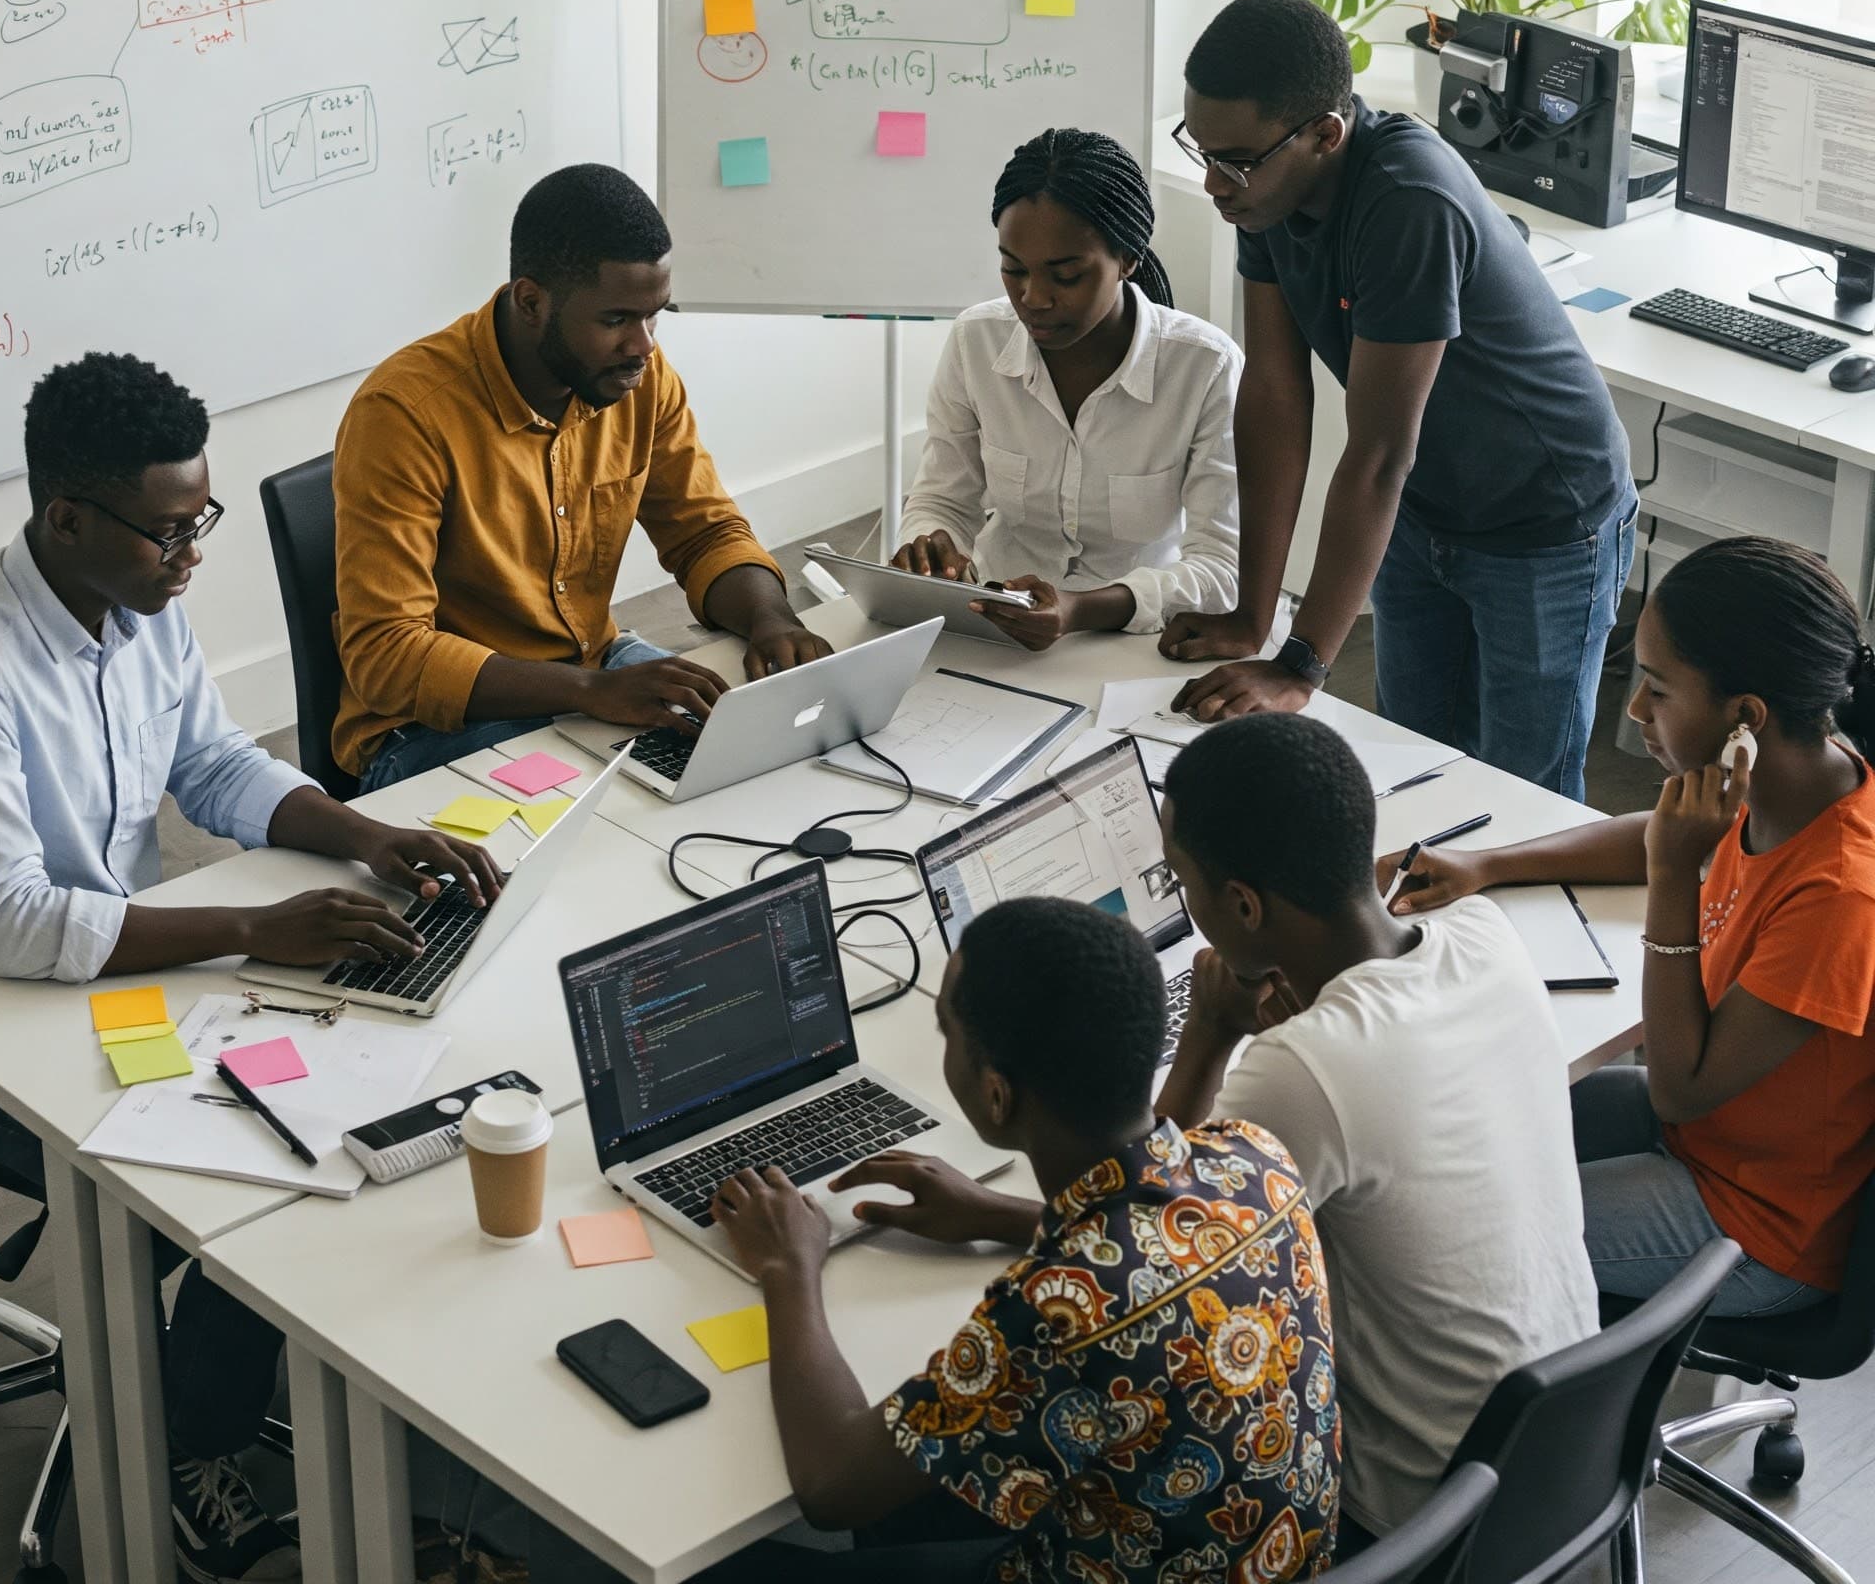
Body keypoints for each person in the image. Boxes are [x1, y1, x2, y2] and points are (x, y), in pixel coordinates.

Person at [0, 353, 500, 1584]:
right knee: (257, 1176)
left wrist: (363, 831)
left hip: (116, 978)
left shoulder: (136, 607)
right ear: (67, 517)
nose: (191, 554)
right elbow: (8, 921)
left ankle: (216, 1387)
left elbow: (217, 767)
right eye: (169, 531)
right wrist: (249, 931)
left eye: (200, 521)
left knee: (352, 1099)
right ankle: (181, 1451)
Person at [705, 895, 1340, 1581]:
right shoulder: (1255, 1158)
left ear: (997, 1095)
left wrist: (788, 1266)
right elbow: (1157, 1256)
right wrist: (997, 1214)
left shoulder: (1052, 1314)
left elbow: (831, 1489)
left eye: (948, 1033)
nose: (943, 1046)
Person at [1160, 0, 1635, 800]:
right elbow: (1276, 396)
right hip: (1422, 512)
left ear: (1325, 135)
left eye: (1233, 159)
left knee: (1527, 799)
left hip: (1544, 522)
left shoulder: (1408, 201)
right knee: (1413, 768)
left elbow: (1378, 453)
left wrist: (1302, 665)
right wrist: (1253, 615)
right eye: (1201, 151)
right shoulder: (1262, 190)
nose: (1214, 182)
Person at [1384, 535, 1875, 1318]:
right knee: (1442, 1129)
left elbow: (1681, 1089)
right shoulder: (1796, 777)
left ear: (1745, 718)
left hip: (1750, 1222)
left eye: (1657, 688)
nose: (1636, 710)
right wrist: (1489, 865)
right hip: (1707, 1142)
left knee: (1434, 1237)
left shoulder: (1842, 896)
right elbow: (1663, 826)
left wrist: (1678, 875)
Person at [1152, 713, 1596, 1547]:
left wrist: (1210, 1034)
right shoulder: (1484, 936)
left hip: (1418, 1514)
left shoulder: (1303, 1068)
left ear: (1243, 906)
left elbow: (1139, 1238)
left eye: (1183, 881)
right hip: (1570, 1442)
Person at [333, 163, 831, 790]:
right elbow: (386, 656)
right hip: (431, 729)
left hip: (592, 671)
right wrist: (591, 689)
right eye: (617, 319)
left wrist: (772, 620)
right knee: (612, 827)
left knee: (764, 758)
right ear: (532, 302)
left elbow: (703, 533)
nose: (644, 344)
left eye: (656, 315)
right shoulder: (406, 414)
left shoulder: (641, 379)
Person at [890, 127, 1241, 650]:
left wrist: (1081, 609)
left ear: (1126, 259)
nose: (1033, 297)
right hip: (995, 620)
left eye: (1066, 274)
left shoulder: (1205, 368)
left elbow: (1222, 569)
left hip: (1143, 631)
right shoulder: (976, 341)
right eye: (1013, 269)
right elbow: (942, 497)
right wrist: (929, 541)